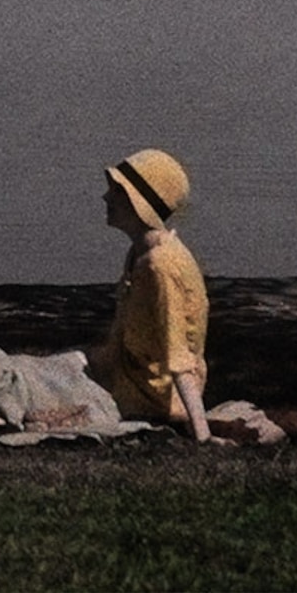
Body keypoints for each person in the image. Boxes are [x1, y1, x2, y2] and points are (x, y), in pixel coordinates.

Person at [88, 148, 219, 445]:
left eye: (116, 192)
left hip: (148, 399)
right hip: (125, 378)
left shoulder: (161, 266)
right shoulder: (140, 253)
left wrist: (203, 435)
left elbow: (180, 356)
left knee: (15, 380)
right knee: (30, 371)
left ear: (137, 203)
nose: (106, 198)